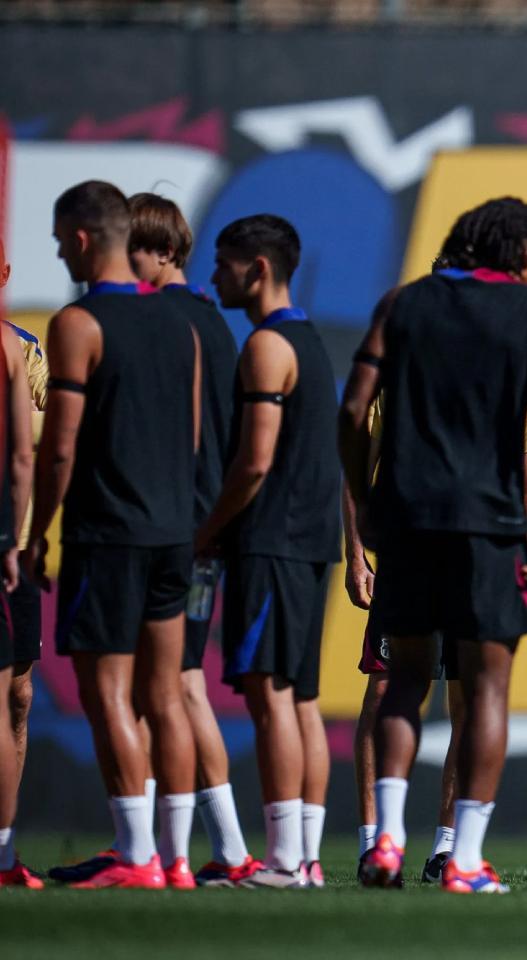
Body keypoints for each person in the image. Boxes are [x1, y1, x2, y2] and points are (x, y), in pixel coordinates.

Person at [344, 197, 527, 894]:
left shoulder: (401, 305)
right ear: (524, 253)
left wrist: (367, 504)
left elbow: (351, 411)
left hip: (409, 521)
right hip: (488, 526)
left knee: (402, 682)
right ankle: (464, 859)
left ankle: (385, 841)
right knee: (486, 687)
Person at [25, 180, 201, 890]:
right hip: (174, 532)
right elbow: (193, 434)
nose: (58, 252)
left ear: (83, 238)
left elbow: (58, 449)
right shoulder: (180, 323)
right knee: (166, 695)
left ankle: (135, 856)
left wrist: (38, 532)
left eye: (60, 240)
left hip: (110, 532)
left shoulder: (78, 323)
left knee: (107, 694)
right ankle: (177, 859)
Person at [348, 373, 527, 883]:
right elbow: (359, 470)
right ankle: (377, 841)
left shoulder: (506, 380)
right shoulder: (400, 380)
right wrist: (356, 554)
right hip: (410, 553)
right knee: (387, 690)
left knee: (469, 698)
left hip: (480, 561)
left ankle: (449, 849)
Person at [195, 214, 339, 889]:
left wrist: (206, 530)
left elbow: (254, 463)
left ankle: (283, 863)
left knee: (271, 696)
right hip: (307, 544)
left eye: (223, 263)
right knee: (300, 699)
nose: (213, 276)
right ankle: (305, 860)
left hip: (272, 542)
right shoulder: (309, 341)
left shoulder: (266, 346)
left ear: (257, 269)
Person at [125, 193, 259, 888]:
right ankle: (215, 847)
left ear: (160, 250)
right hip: (203, 527)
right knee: (180, 683)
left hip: (168, 526)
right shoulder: (215, 322)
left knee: (166, 684)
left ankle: (155, 851)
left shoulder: (159, 320)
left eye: (131, 250)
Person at [0, 235, 38, 888]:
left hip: (14, 546)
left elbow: (33, 449)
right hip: (6, 544)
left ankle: (4, 852)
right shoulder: (13, 350)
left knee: (18, 697)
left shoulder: (23, 349)